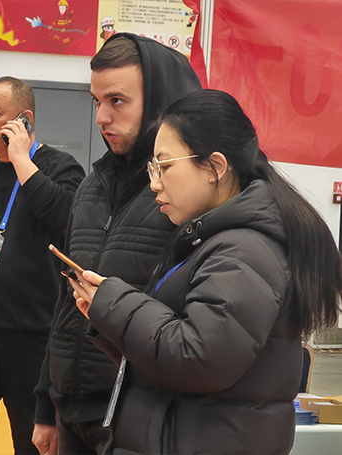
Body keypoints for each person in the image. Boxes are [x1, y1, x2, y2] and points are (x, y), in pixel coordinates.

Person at [70, 89, 342, 455]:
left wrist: (118, 306)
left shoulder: (243, 253)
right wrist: (110, 318)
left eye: (165, 167)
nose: (154, 183)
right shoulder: (214, 242)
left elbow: (198, 359)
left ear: (215, 167)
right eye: (153, 169)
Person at [32, 33, 201, 455]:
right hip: (72, 414)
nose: (101, 117)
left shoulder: (185, 195)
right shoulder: (91, 186)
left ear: (160, 102)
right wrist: (45, 404)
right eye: (96, 101)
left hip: (139, 416)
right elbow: (66, 299)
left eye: (117, 101)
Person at [0, 77, 85, 454]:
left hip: (31, 338)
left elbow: (65, 221)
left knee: (31, 444)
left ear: (24, 119)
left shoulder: (60, 167)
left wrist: (22, 161)